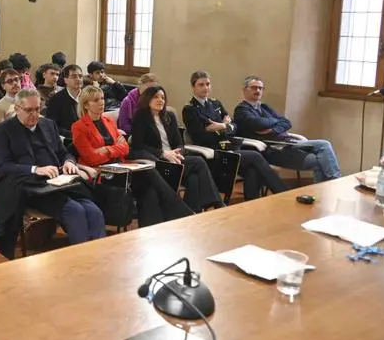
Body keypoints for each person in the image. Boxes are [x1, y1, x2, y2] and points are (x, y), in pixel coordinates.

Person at [0, 89, 105, 248]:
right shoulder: (4, 130)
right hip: (30, 187)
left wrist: (69, 162)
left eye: (38, 109)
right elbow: (4, 166)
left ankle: (100, 255)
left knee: (94, 211)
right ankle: (83, 260)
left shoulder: (48, 124)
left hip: (59, 183)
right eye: (29, 110)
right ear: (17, 108)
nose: (35, 114)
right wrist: (34, 169)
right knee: (74, 211)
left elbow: (63, 152)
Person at [71, 86, 193, 226]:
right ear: (86, 104)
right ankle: (181, 213)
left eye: (103, 98)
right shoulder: (78, 127)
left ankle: (153, 230)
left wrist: (106, 150)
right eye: (96, 100)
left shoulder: (108, 121)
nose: (102, 102)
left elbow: (125, 148)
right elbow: (91, 157)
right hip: (103, 172)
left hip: (121, 165)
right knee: (149, 173)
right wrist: (115, 148)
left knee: (149, 189)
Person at [182, 71, 288, 200]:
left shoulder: (216, 104)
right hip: (212, 153)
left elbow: (234, 127)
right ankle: (284, 194)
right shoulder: (190, 109)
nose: (205, 87)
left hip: (229, 148)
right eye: (201, 85)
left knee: (252, 170)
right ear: (193, 87)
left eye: (208, 84)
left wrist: (220, 127)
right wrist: (224, 126)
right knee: (255, 156)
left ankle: (251, 205)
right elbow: (200, 137)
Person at [129, 85, 224, 213]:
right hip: (158, 161)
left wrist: (177, 153)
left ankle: (191, 211)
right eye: (156, 97)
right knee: (198, 163)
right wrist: (163, 153)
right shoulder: (140, 117)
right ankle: (215, 202)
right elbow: (138, 146)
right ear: (147, 99)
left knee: (194, 176)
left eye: (162, 97)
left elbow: (180, 143)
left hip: (175, 159)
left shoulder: (169, 116)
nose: (160, 100)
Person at [233, 75, 341, 182]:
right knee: (319, 160)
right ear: (244, 90)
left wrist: (273, 129)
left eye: (260, 88)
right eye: (254, 87)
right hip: (273, 149)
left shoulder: (264, 107)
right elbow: (258, 123)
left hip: (288, 143)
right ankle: (334, 183)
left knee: (324, 145)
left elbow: (287, 122)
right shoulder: (242, 110)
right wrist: (275, 121)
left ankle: (334, 181)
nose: (258, 90)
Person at [44, 64, 84, 137]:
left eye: (80, 76)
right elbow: (52, 126)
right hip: (68, 139)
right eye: (74, 76)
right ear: (65, 80)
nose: (78, 79)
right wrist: (73, 134)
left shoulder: (88, 96)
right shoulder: (55, 100)